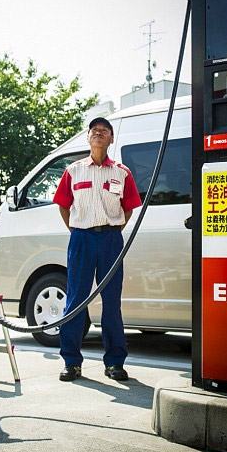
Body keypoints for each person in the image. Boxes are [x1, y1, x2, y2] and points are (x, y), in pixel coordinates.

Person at [53, 117, 142, 382]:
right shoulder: (74, 170)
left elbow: (128, 207)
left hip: (111, 240)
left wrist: (113, 230)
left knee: (112, 302)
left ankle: (115, 362)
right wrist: (78, 230)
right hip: (81, 239)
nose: (99, 134)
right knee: (75, 300)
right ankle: (71, 362)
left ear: (111, 139)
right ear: (88, 137)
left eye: (104, 131)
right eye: (94, 131)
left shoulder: (122, 172)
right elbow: (63, 205)